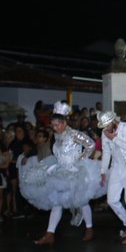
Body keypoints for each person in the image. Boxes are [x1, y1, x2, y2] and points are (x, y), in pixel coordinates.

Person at [21, 101, 105, 244]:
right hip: (60, 172)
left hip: (75, 171)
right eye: (53, 125)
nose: (55, 127)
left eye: (57, 124)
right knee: (57, 202)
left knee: (81, 201)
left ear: (65, 122)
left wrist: (81, 159)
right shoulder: (57, 136)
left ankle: (89, 228)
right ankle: (50, 234)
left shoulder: (74, 134)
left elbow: (90, 144)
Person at [99, 110, 126, 244]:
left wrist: (114, 138)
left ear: (113, 121)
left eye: (106, 125)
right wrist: (103, 171)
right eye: (103, 126)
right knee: (112, 200)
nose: (105, 129)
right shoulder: (104, 133)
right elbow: (106, 152)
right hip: (116, 168)